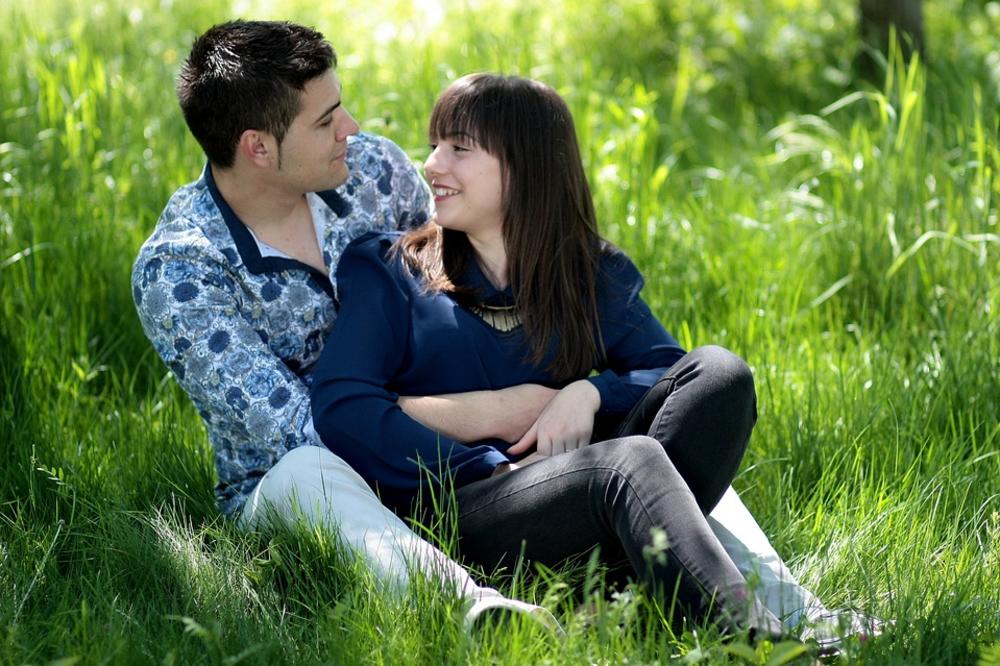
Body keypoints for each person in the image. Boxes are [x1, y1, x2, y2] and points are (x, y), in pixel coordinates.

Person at [132, 19, 863, 640]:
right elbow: (317, 425)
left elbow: (464, 272)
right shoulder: (183, 270)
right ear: (258, 147)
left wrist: (582, 392)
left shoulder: (370, 169)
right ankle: (480, 611)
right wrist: (501, 424)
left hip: (476, 455)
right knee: (309, 475)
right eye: (326, 120)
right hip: (325, 479)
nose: (353, 130)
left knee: (687, 406)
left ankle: (782, 612)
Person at [308, 74, 812, 637]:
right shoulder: (390, 268)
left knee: (720, 374)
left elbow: (670, 373)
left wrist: (588, 392)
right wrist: (495, 460)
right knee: (631, 459)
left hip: (581, 494)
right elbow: (343, 407)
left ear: (526, 166)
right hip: (467, 509)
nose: (432, 165)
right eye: (434, 145)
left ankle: (624, 592)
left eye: (459, 148)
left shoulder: (590, 272)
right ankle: (754, 640)